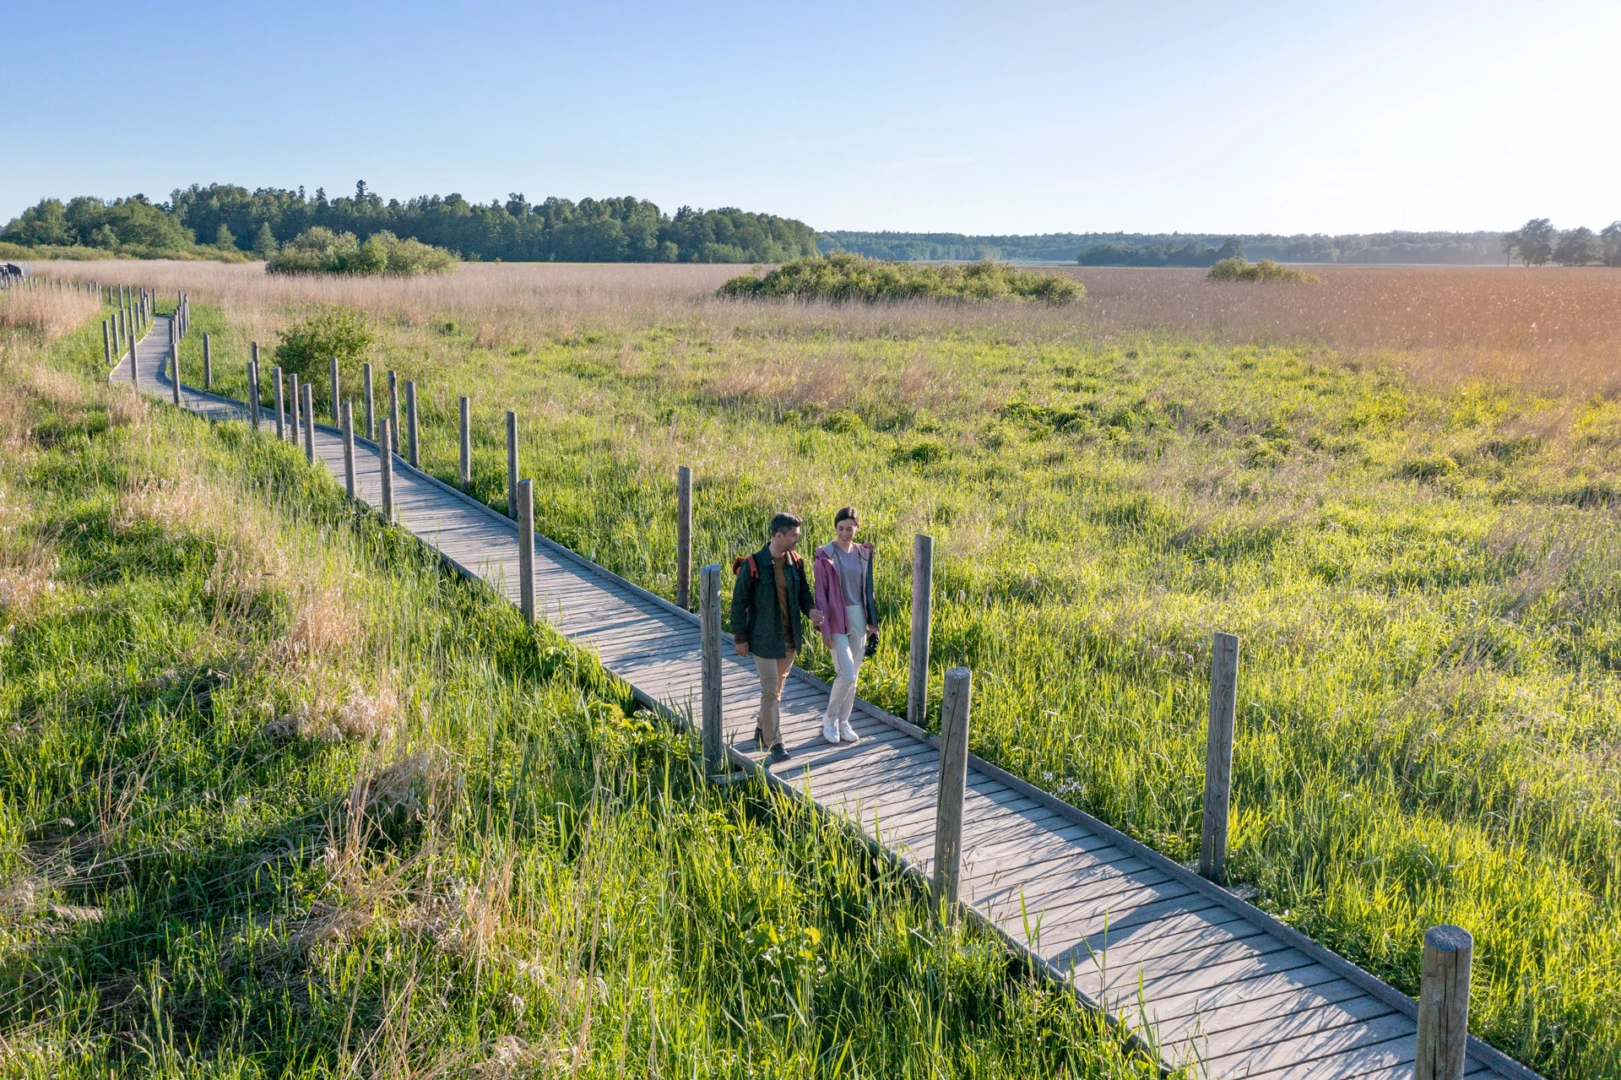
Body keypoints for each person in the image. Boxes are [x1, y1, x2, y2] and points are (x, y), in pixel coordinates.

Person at [732, 512, 823, 763]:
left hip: (789, 638)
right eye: (794, 535)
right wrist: (740, 638)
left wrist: (811, 611)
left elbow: (803, 592)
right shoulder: (753, 564)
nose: (797, 539)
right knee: (771, 690)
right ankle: (775, 743)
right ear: (779, 535)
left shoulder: (795, 561)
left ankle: (761, 728)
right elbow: (738, 603)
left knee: (776, 691)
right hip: (762, 639)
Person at [813, 507, 877, 744]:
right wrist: (824, 628)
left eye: (850, 529)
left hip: (859, 616)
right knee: (846, 674)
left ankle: (844, 719)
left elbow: (868, 590)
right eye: (841, 528)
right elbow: (820, 595)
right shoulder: (825, 555)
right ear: (835, 528)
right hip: (835, 616)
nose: (845, 533)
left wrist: (873, 623)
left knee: (855, 674)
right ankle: (829, 717)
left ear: (857, 528)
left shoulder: (863, 553)